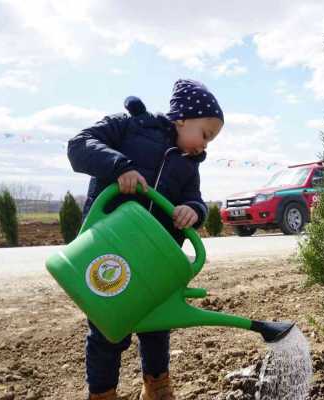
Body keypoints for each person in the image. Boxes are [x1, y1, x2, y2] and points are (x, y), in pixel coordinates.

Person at [67, 79, 224, 400]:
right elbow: (79, 145)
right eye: (206, 134)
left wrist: (193, 211)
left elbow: (194, 198)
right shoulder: (128, 128)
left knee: (156, 324)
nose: (205, 145)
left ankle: (157, 386)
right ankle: (102, 393)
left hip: (154, 258)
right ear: (182, 117)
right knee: (107, 327)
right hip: (110, 250)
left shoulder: (188, 165)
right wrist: (119, 166)